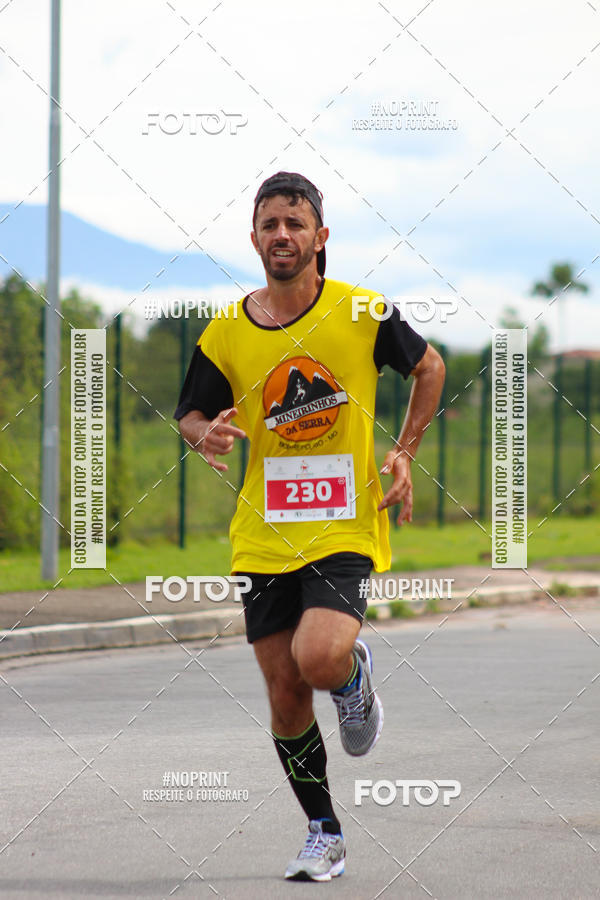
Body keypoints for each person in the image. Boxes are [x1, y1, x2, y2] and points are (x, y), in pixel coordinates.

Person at [174, 171, 445, 882]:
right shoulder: (227, 331)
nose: (282, 235)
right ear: (255, 238)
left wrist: (404, 451)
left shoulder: (363, 312)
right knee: (286, 692)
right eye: (270, 224)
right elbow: (190, 415)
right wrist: (206, 436)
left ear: (321, 238)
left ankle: (353, 680)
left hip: (343, 525)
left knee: (319, 657)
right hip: (262, 535)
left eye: (296, 224)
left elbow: (430, 367)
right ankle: (322, 831)